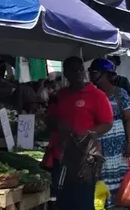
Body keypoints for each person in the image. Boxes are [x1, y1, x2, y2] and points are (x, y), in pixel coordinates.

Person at [47, 57, 113, 210]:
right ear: (66, 74)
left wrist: (89, 132)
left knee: (83, 200)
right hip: (62, 156)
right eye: (73, 70)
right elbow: (50, 119)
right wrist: (57, 123)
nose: (77, 73)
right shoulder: (60, 96)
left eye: (80, 70)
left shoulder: (96, 95)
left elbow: (107, 123)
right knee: (63, 200)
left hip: (86, 157)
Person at [88, 59, 130, 208]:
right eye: (90, 72)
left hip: (119, 145)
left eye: (94, 72)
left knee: (124, 180)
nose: (90, 75)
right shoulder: (90, 94)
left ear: (105, 75)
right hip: (98, 144)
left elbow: (129, 119)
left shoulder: (119, 93)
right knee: (100, 178)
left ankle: (129, 202)